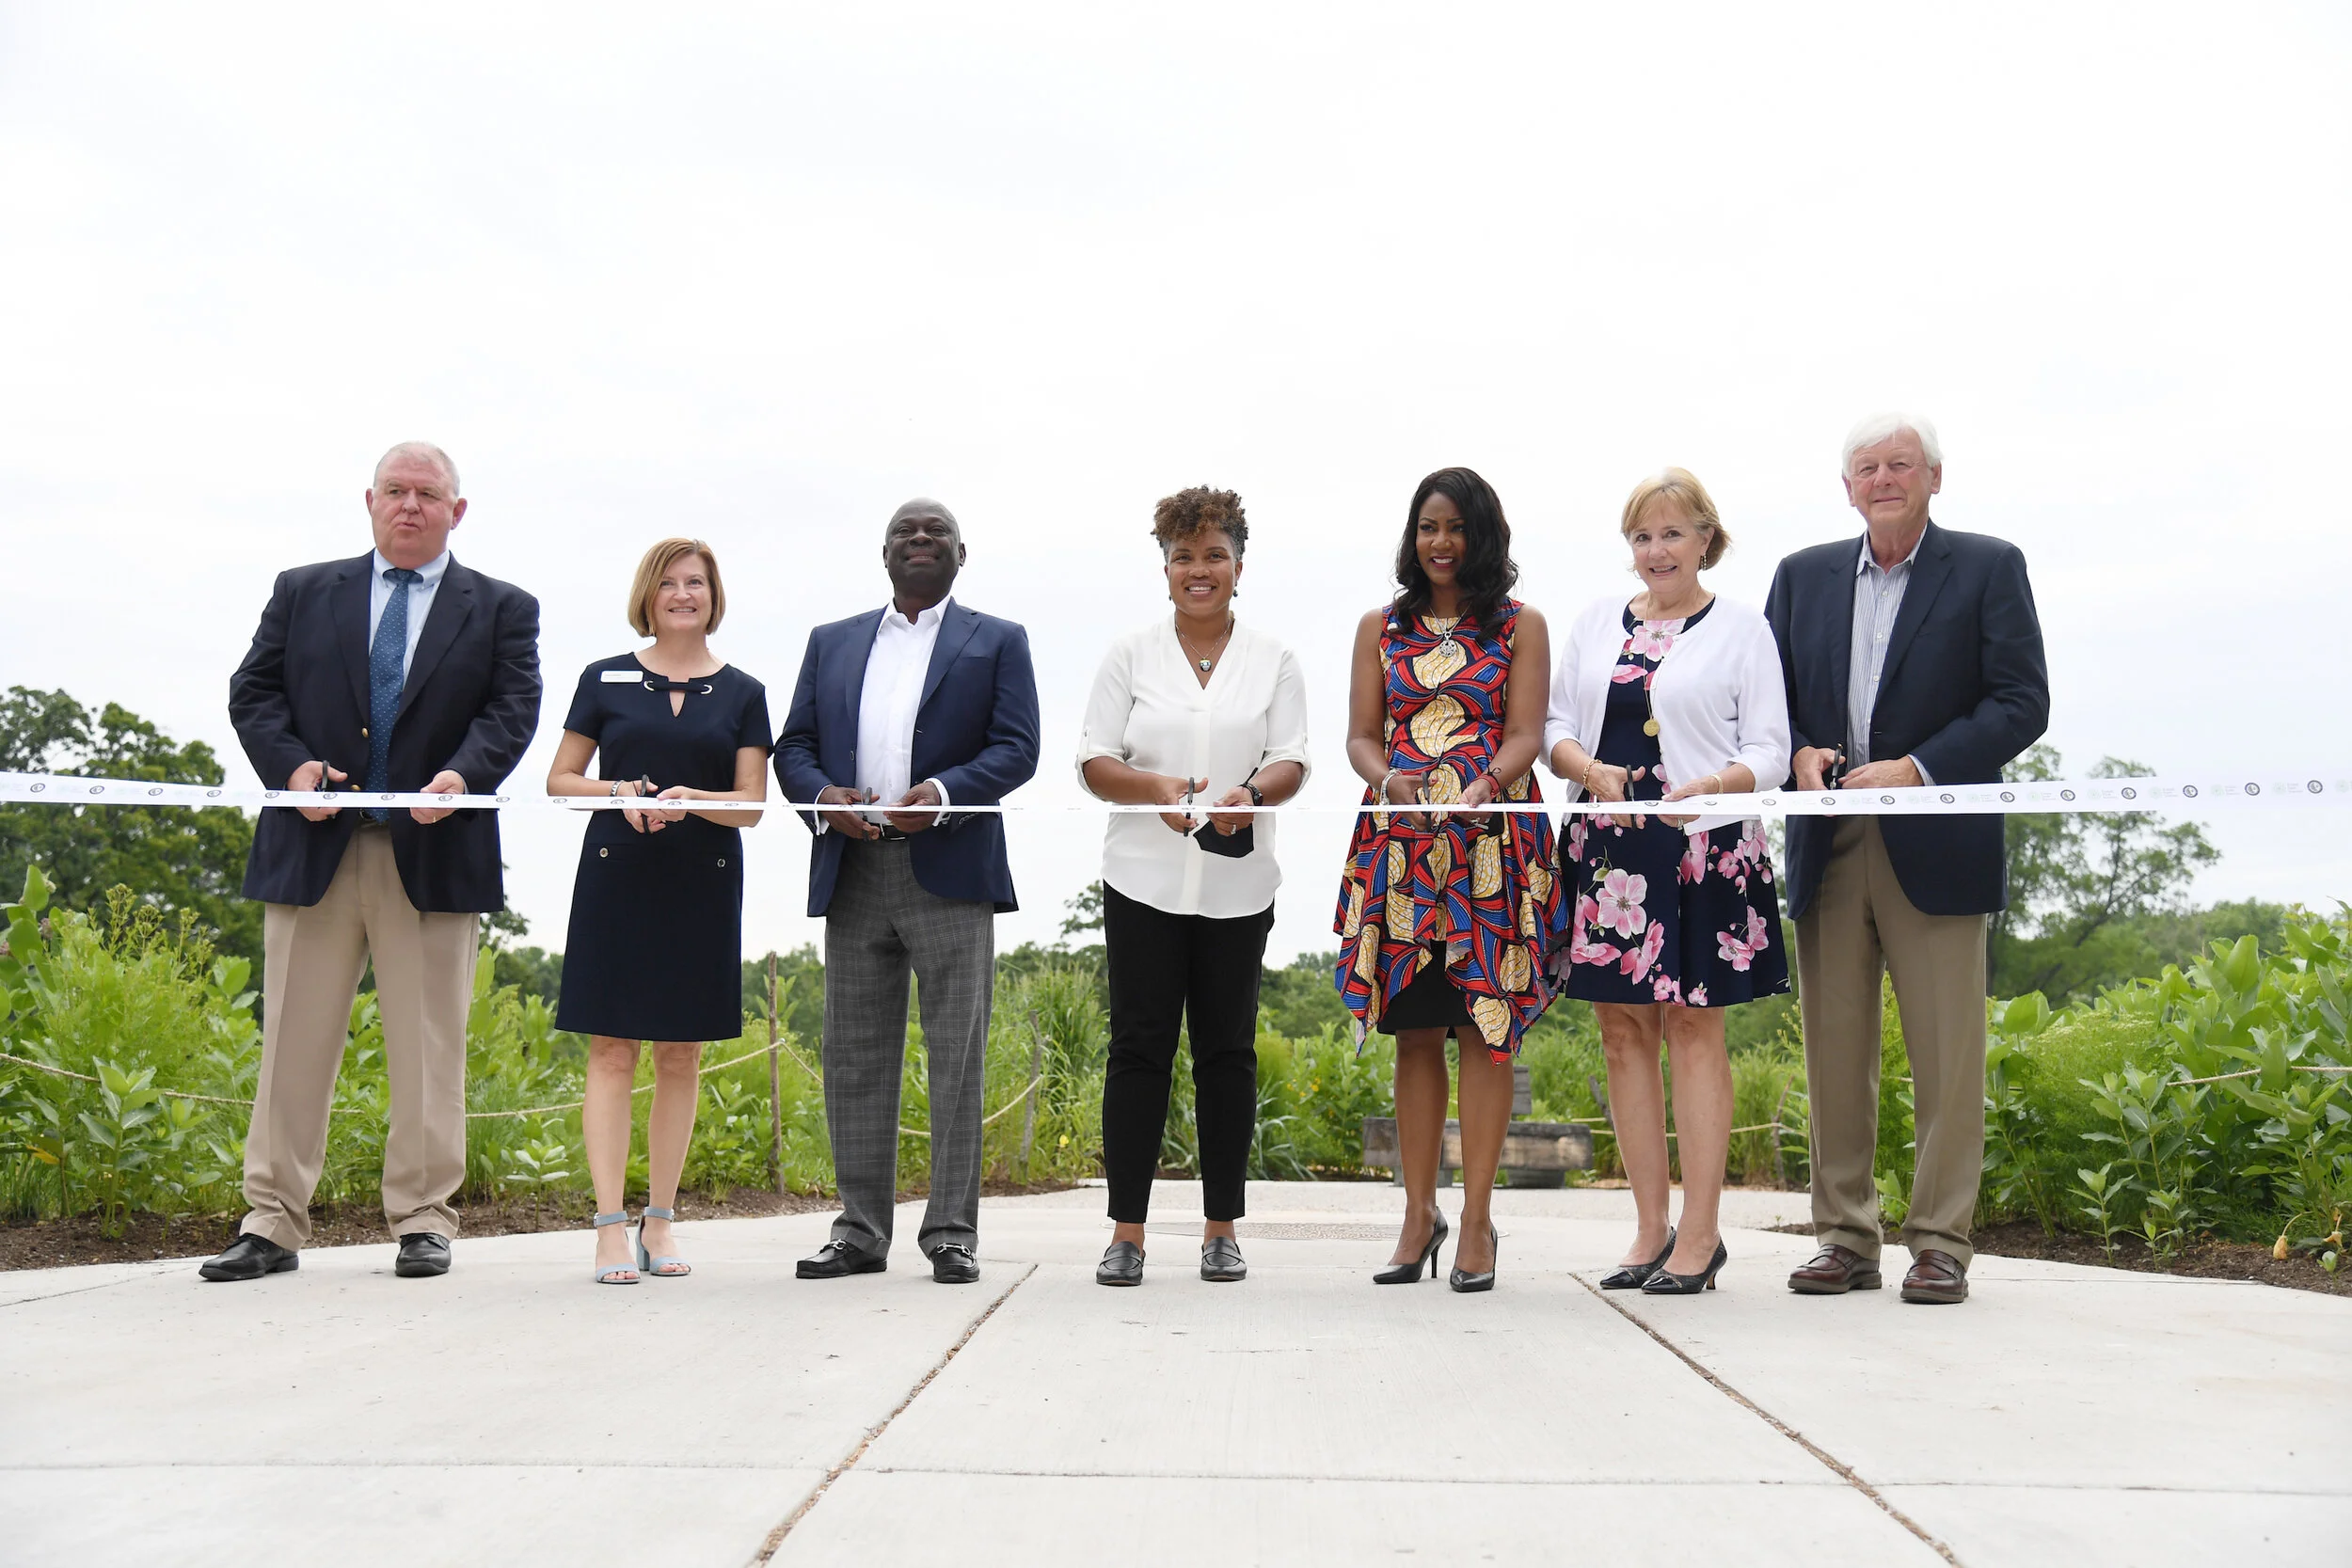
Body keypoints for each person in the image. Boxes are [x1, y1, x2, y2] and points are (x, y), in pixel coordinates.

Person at [204, 442, 541, 1283]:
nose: (410, 505)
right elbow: (254, 691)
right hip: (313, 847)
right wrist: (292, 770)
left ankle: (424, 1218)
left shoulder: (503, 607)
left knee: (430, 1046)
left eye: (429, 493)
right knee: (291, 1040)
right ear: (369, 499)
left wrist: (465, 776)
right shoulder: (304, 589)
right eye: (396, 490)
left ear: (457, 510)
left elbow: (514, 706)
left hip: (434, 852)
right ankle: (271, 1220)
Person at [1766, 413, 2049, 1306]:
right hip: (1828, 841)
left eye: (1899, 464)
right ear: (1846, 486)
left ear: (1934, 476)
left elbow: (2021, 702)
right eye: (1866, 467)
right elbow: (1766, 701)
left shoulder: (1989, 564)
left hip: (1937, 838)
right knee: (1835, 1054)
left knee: (1947, 1053)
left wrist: (1919, 767)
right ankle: (1845, 1236)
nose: (1882, 478)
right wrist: (1802, 749)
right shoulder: (1801, 577)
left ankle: (1941, 1243)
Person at [775, 499, 1041, 1285]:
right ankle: (859, 1231)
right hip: (854, 866)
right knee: (853, 1056)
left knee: (955, 1055)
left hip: (951, 869)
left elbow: (1018, 747)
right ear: (883, 552)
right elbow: (794, 745)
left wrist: (944, 790)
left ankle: (952, 1232)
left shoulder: (996, 639)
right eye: (904, 534)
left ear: (962, 553)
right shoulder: (833, 642)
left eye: (935, 535)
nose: (919, 542)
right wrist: (825, 799)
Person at [1544, 468, 1791, 1296]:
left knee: (1693, 1029)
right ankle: (1649, 1226)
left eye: (1673, 533)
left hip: (1700, 845)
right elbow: (1553, 729)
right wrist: (1589, 769)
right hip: (1609, 846)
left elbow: (1770, 748)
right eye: (1643, 537)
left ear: (1705, 540)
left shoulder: (1743, 629)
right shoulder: (1592, 623)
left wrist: (1714, 788)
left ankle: (1702, 1232)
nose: (1657, 550)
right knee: (1621, 1031)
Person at [1336, 467, 1566, 1292]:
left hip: (1491, 843)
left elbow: (1527, 733)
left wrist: (1484, 784)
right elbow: (1362, 736)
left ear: (1483, 535)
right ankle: (1417, 1213)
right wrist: (1388, 777)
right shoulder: (1381, 625)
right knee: (1418, 1031)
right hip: (1400, 845)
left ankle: (1475, 1222)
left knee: (1485, 1026)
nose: (1441, 542)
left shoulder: (1520, 624)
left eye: (1457, 527)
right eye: (1429, 526)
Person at [1075, 486, 1311, 1287]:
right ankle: (1127, 1232)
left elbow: (1293, 758)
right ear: (1165, 566)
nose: (1199, 569)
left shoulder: (1274, 658)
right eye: (1184, 556)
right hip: (1140, 880)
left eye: (1215, 555)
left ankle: (1221, 1229)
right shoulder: (1129, 655)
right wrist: (1157, 790)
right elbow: (1093, 760)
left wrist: (1252, 794)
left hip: (1236, 892)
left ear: (1240, 566)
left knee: (1226, 1052)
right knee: (1138, 1050)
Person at [547, 539, 771, 1284]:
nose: (684, 593)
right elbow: (560, 779)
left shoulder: (744, 690)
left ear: (714, 595)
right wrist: (623, 795)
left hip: (702, 881)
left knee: (683, 1054)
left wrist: (689, 801)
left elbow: (750, 808)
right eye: (670, 582)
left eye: (697, 582)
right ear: (649, 592)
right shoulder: (603, 677)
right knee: (612, 1050)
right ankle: (611, 1227)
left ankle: (662, 1221)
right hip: (618, 874)